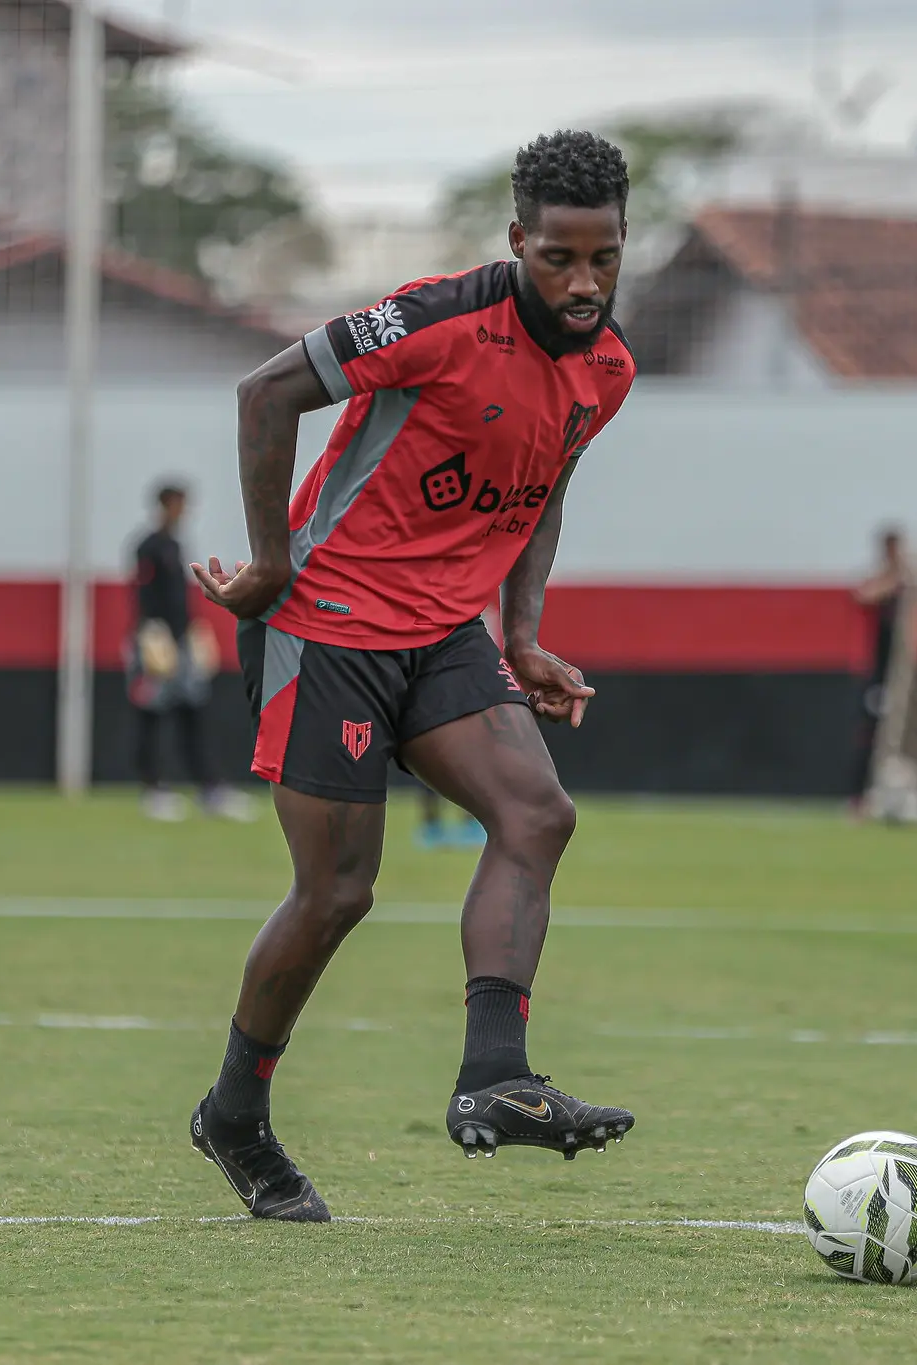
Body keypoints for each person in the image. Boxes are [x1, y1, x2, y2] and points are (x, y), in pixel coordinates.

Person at [186, 130, 638, 1222]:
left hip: (441, 635)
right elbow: (263, 393)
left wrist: (520, 636)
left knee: (536, 814)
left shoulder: (606, 369)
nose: (583, 283)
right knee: (338, 892)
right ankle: (234, 1113)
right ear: (517, 239)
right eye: (559, 258)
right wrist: (270, 565)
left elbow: (542, 488)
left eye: (604, 258)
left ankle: (495, 1077)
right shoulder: (431, 320)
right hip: (326, 618)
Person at [126, 484, 252, 823]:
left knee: (193, 712)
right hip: (156, 642)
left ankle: (209, 788)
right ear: (164, 505)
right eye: (177, 504)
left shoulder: (176, 545)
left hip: (182, 643)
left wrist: (193, 631)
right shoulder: (148, 546)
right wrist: (150, 634)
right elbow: (142, 593)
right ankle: (153, 789)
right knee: (152, 715)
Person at [849, 525, 906, 805]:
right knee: (872, 732)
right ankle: (861, 796)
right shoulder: (884, 580)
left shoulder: (912, 582)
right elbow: (863, 595)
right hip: (881, 672)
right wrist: (893, 578)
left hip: (908, 672)